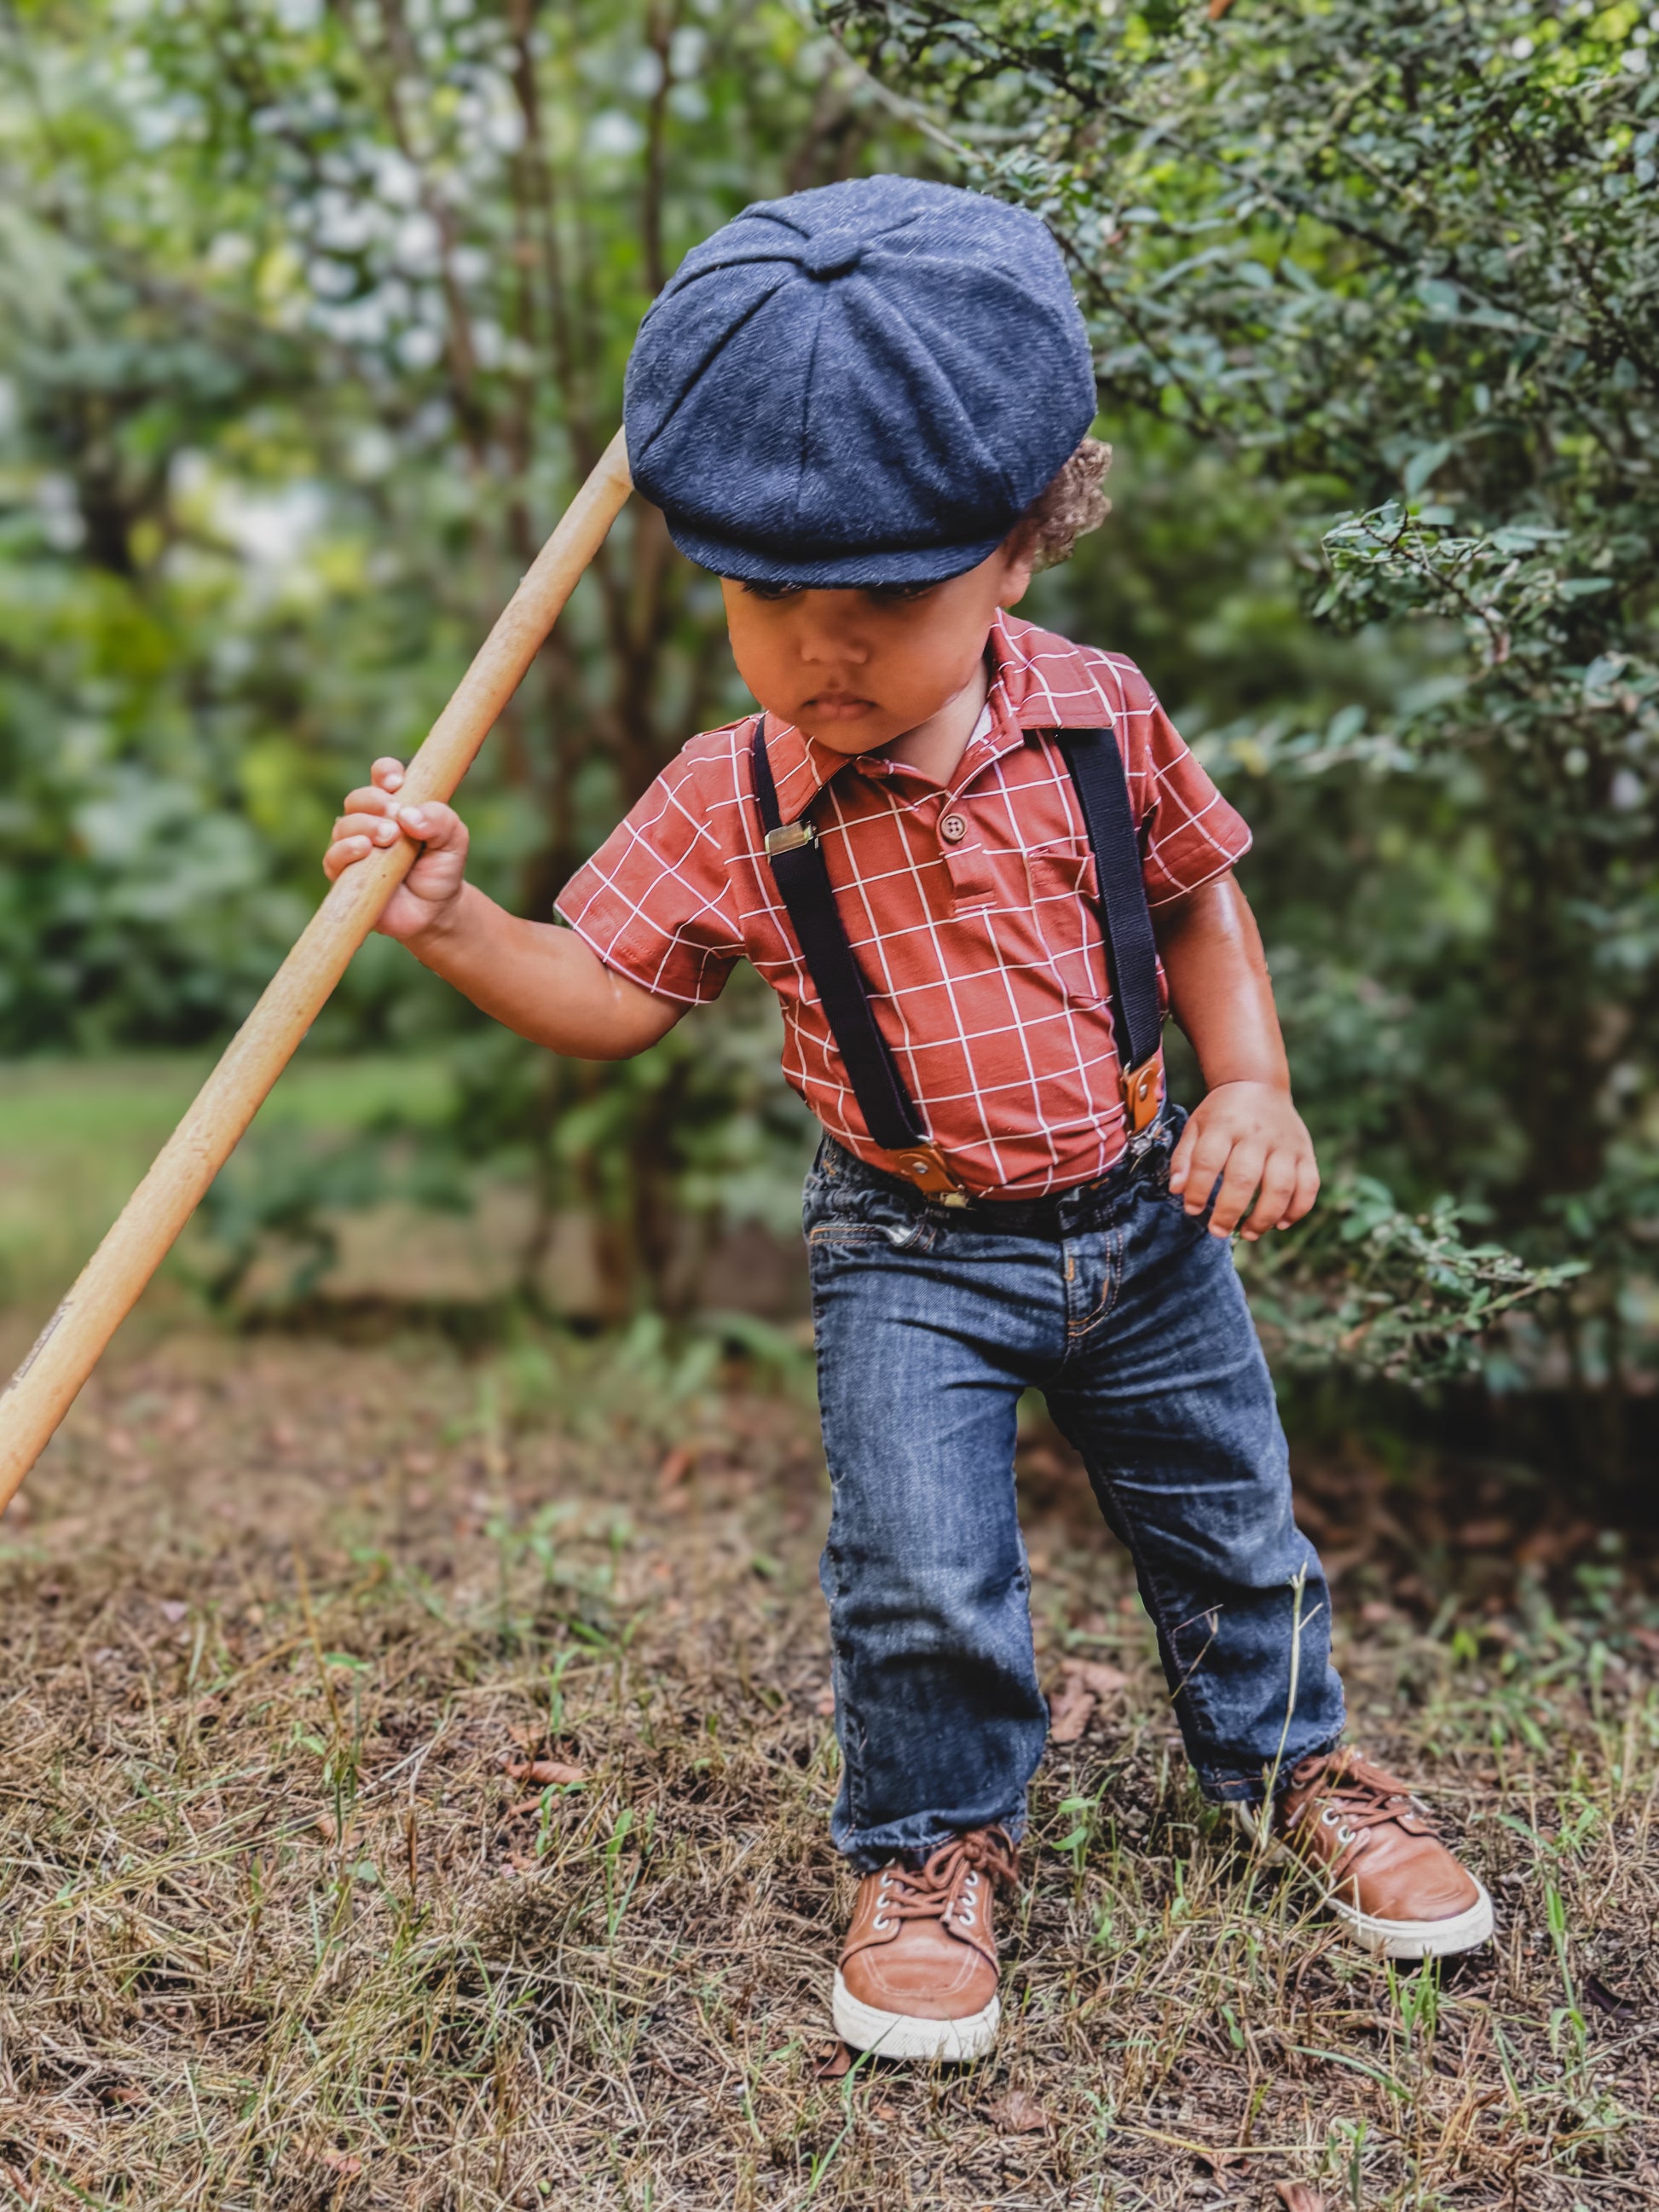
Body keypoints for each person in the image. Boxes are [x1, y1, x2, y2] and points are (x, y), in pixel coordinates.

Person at [324, 177, 1492, 2063]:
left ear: (1018, 551)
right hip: (910, 1244)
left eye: (883, 599)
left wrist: (1251, 1081)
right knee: (922, 1567)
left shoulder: (1100, 718)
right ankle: (934, 1843)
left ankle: (1296, 1771)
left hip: (1142, 1211)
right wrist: (452, 916)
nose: (822, 650)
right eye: (768, 596)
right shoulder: (732, 793)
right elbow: (612, 998)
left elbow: (1198, 897)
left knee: (1228, 1518)